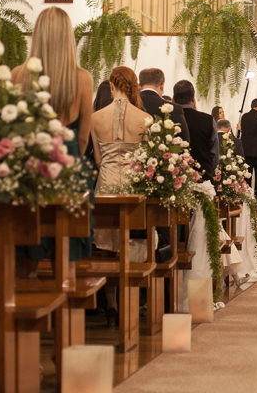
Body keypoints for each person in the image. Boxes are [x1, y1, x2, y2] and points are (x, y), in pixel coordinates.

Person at [12, 6, 95, 273]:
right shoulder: (82, 79)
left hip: (29, 164)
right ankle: (66, 311)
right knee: (66, 257)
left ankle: (21, 310)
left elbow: (12, 128)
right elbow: (83, 137)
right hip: (67, 161)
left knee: (25, 257)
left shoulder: (18, 75)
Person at [90, 66, 152, 324]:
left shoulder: (96, 117)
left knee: (105, 248)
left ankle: (112, 304)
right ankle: (130, 302)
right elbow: (148, 159)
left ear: (111, 85)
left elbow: (97, 158)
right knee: (131, 245)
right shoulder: (145, 118)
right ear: (133, 86)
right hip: (133, 185)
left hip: (105, 184)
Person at [174, 79, 219, 178]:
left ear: (173, 98)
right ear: (193, 97)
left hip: (175, 180)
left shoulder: (168, 120)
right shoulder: (208, 120)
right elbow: (214, 155)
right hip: (203, 177)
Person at [138, 68, 191, 143]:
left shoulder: (130, 105)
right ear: (162, 85)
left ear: (139, 85)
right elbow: (184, 142)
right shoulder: (174, 109)